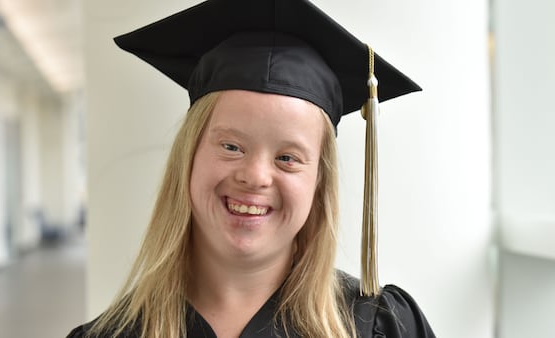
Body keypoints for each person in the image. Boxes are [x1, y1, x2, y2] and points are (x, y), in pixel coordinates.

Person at [68, 0, 435, 337]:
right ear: (188, 156)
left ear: (319, 181)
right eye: (231, 146)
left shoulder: (379, 327)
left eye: (287, 158)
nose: (256, 176)